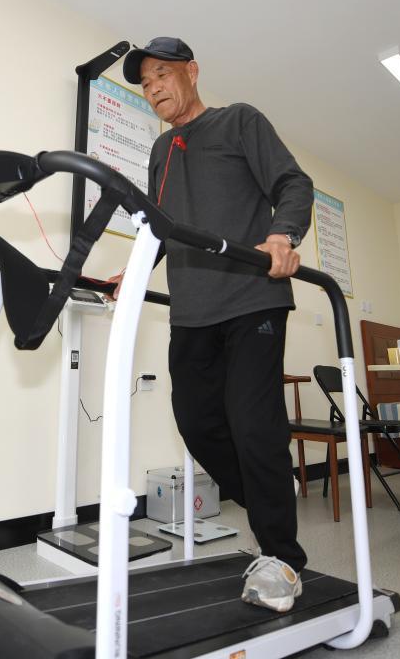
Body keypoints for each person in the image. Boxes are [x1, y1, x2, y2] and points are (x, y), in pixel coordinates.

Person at [113, 37, 314, 613]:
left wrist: (282, 235)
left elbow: (293, 183)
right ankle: (270, 490)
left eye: (162, 75)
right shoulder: (162, 150)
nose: (153, 88)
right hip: (192, 309)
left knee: (253, 426)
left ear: (192, 72)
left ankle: (281, 557)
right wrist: (131, 272)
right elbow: (160, 226)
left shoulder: (238, 121)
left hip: (252, 299)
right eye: (145, 83)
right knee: (196, 423)